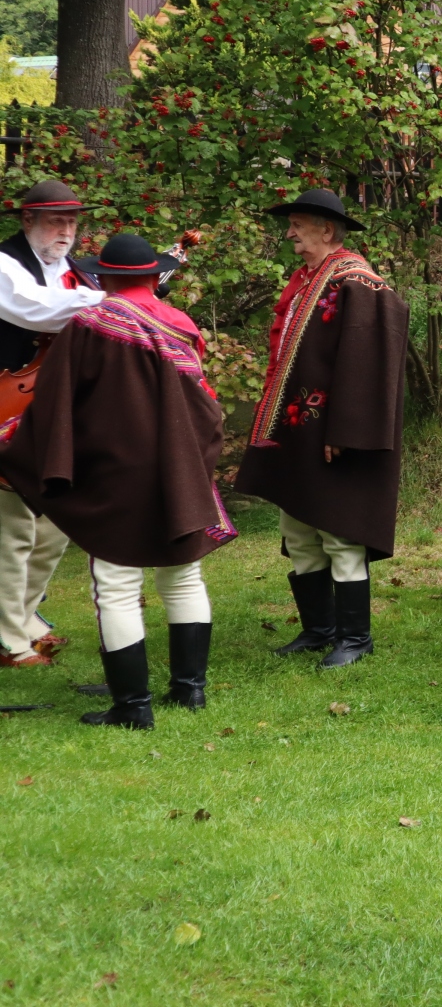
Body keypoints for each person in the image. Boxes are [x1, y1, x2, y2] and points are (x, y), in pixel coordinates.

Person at [0, 234, 236, 728]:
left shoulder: (89, 325)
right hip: (182, 467)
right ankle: (189, 690)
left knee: (116, 585)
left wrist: (13, 441)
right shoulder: (182, 324)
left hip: (115, 475)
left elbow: (55, 402)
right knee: (183, 577)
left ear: (103, 278)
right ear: (153, 276)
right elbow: (205, 406)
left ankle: (132, 706)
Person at [236, 189, 409, 669]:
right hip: (302, 430)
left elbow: (367, 363)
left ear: (327, 230)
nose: (289, 233)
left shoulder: (358, 283)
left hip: (337, 434)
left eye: (297, 224)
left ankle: (355, 638)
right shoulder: (310, 279)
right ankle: (319, 629)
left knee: (339, 531)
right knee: (298, 528)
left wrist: (347, 432)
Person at [0, 179, 105, 668]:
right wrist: (112, 301)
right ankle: (8, 641)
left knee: (57, 521)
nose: (66, 231)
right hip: (6, 404)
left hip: (60, 408)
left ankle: (21, 620)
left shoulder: (77, 274)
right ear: (28, 221)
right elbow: (34, 310)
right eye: (55, 221)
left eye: (71, 222)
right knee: (12, 527)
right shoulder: (4, 264)